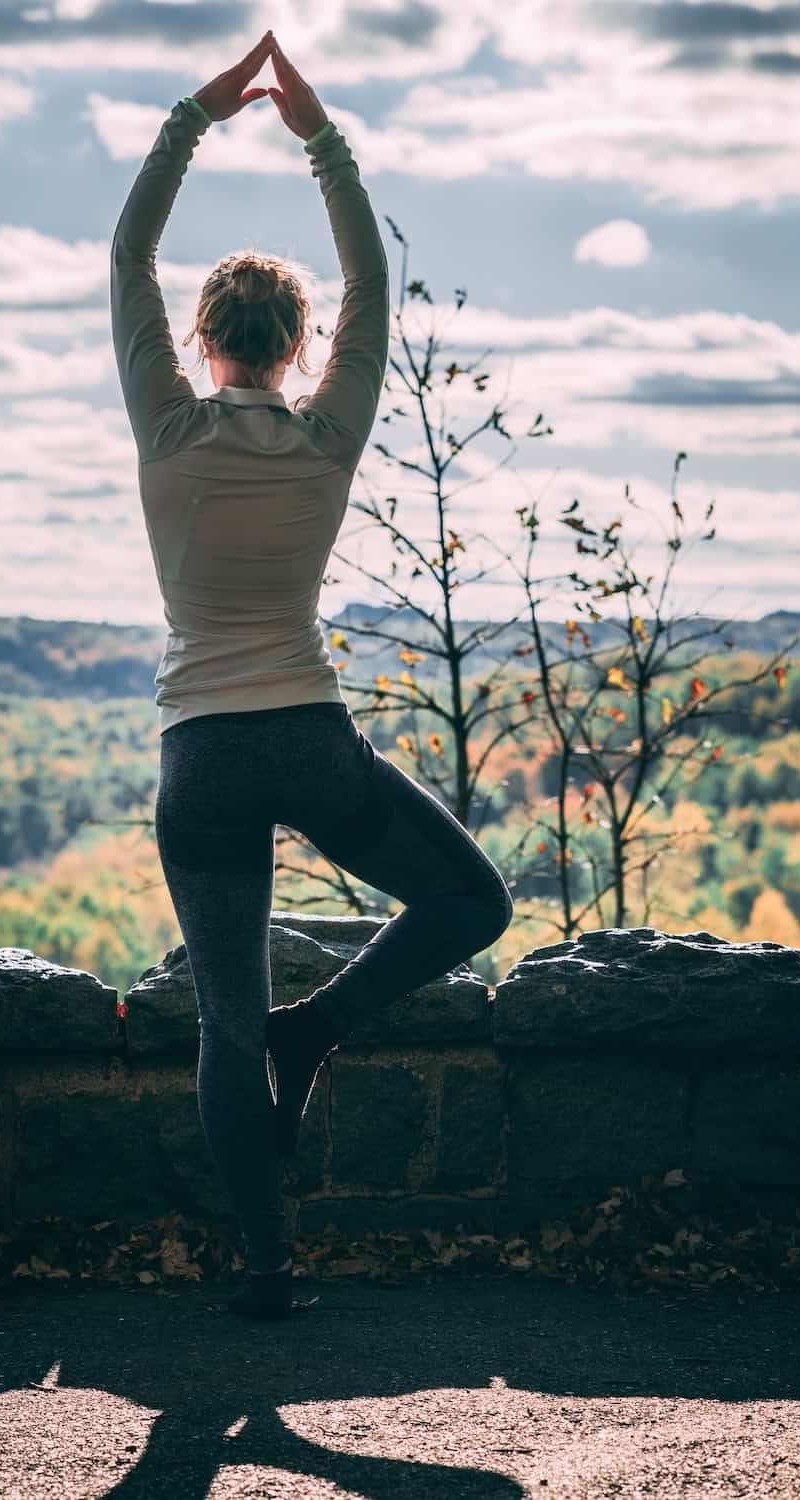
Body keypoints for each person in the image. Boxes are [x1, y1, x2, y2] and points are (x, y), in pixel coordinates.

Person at [110, 31, 513, 1319]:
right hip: (310, 739)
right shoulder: (329, 433)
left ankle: (267, 1270)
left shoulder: (165, 426)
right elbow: (372, 278)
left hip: (205, 759)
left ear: (202, 340)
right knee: (472, 905)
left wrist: (194, 116)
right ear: (297, 346)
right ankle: (324, 1022)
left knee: (227, 1022)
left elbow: (127, 257)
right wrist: (319, 138)